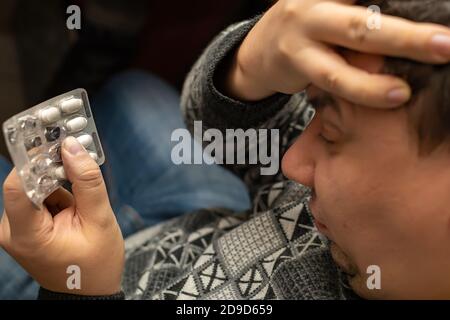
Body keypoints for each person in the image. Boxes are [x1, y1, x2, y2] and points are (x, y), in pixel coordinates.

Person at [2, 0, 450, 299]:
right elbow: (229, 121)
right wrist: (252, 65)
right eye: (313, 116)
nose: (291, 161)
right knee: (134, 92)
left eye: (331, 135)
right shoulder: (361, 213)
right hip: (183, 233)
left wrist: (76, 286)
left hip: (83, 282)